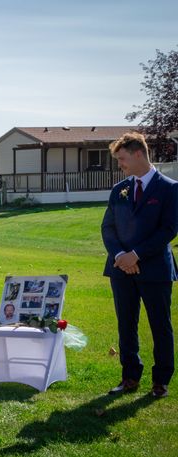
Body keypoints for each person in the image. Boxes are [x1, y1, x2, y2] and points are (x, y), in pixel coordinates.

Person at [101, 132, 178, 399]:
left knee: (160, 324)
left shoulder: (169, 188)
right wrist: (121, 255)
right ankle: (130, 376)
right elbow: (107, 227)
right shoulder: (118, 190)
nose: (119, 164)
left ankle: (161, 381)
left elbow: (168, 229)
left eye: (122, 159)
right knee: (126, 324)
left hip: (155, 269)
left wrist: (137, 255)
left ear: (138, 154)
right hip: (120, 269)